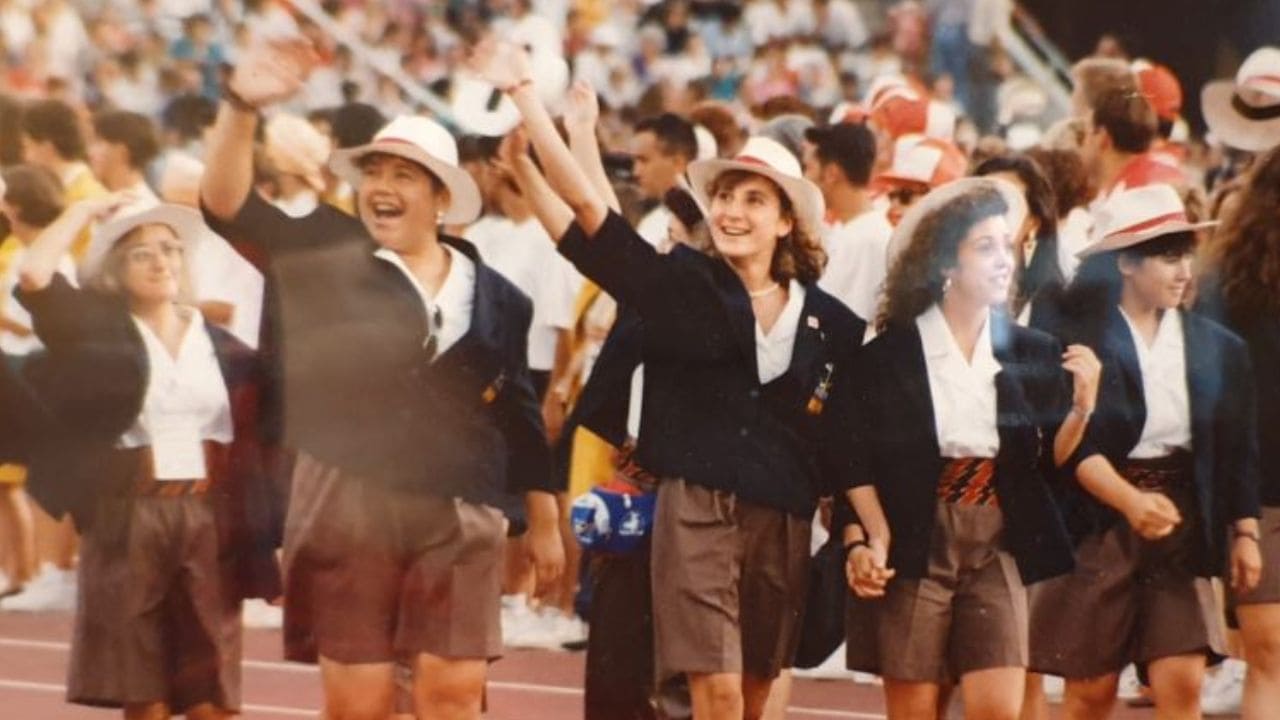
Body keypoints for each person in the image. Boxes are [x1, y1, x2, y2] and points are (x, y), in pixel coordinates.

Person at [473, 38, 867, 720]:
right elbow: (594, 218)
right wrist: (527, 100)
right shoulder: (688, 286)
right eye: (724, 196)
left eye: (753, 200)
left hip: (783, 520)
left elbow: (843, 442)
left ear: (786, 221)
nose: (732, 211)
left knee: (752, 692)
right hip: (697, 511)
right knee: (712, 690)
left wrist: (861, 531)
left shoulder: (834, 323)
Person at [199, 39, 563, 720]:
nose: (382, 188)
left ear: (440, 198)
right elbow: (226, 207)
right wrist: (241, 107)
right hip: (349, 498)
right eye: (374, 172)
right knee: (358, 704)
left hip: (461, 503)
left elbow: (516, 407)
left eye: (404, 175)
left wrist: (542, 517)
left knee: (450, 699)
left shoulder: (500, 294)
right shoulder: (324, 250)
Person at [842, 177, 1098, 720]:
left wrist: (1081, 409)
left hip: (998, 537)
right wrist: (863, 538)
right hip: (917, 534)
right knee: (916, 710)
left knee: (998, 709)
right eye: (985, 248)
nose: (1004, 260)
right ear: (944, 264)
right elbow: (851, 457)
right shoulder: (888, 356)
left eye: (1008, 246)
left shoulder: (1034, 352)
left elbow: (1050, 459)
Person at [14, 198, 279, 718]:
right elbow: (35, 273)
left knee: (212, 693)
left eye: (170, 250)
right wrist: (82, 211)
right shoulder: (97, 333)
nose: (161, 262)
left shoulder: (223, 346)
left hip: (207, 516)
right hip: (128, 515)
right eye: (141, 254)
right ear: (115, 271)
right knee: (144, 691)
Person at [1029, 183, 1262, 720]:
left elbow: (1237, 450)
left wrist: (1244, 531)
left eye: (1186, 254)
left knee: (1181, 687)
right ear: (1125, 263)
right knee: (1091, 691)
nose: (1184, 270)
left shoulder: (1218, 346)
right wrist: (1130, 501)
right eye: (1166, 255)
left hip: (1182, 519)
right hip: (1098, 519)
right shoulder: (1070, 331)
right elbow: (1067, 445)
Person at [1200, 145, 1280, 720]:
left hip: (1253, 493)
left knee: (1267, 658)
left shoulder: (1222, 279)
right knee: (1269, 657)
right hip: (1257, 496)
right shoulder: (1227, 283)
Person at [803, 120, 891, 324]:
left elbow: (839, 325)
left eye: (808, 167)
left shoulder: (867, 240)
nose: (805, 177)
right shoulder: (851, 230)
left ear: (831, 173)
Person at [973, 154, 1067, 327]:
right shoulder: (944, 289)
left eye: (1006, 204)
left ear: (1033, 222)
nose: (991, 214)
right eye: (982, 201)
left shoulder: (1058, 307)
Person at [630, 112, 699, 246]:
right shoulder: (652, 220)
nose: (635, 172)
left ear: (679, 163)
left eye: (644, 160)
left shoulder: (707, 220)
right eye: (634, 161)